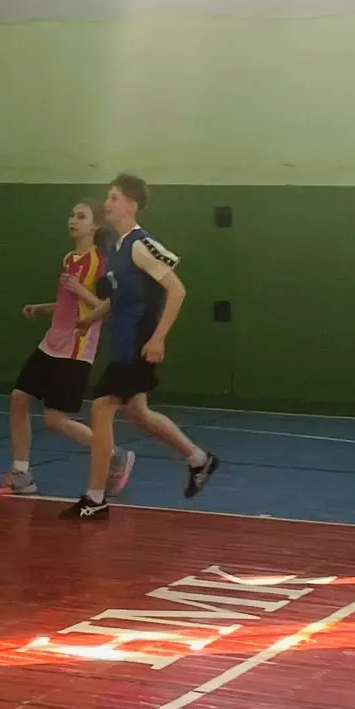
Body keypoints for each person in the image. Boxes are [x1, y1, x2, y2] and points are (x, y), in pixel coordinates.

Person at [61, 173, 220, 521]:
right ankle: (199, 459)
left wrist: (158, 337)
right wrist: (91, 318)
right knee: (137, 413)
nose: (107, 203)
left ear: (132, 205)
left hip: (138, 344)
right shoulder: (116, 248)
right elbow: (119, 297)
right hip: (123, 344)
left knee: (101, 408)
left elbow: (176, 290)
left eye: (115, 197)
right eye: (108, 196)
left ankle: (95, 497)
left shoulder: (139, 244)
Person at [0, 200, 134, 500]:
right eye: (72, 215)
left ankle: (114, 454)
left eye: (81, 217)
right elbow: (70, 303)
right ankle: (21, 474)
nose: (73, 221)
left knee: (54, 419)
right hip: (51, 343)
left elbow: (108, 308)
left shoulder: (101, 262)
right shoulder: (69, 258)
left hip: (75, 350)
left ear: (95, 225)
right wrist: (44, 309)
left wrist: (80, 289)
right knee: (18, 399)